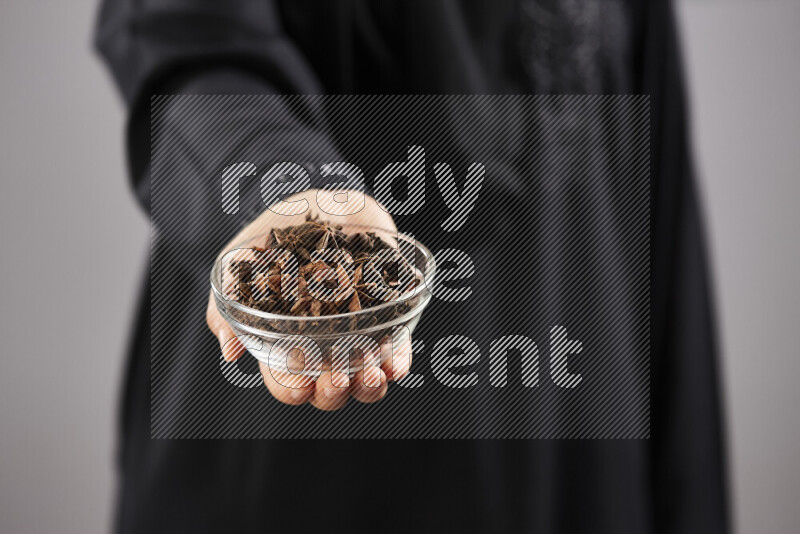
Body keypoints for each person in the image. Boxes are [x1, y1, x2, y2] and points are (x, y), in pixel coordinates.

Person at [95, 0, 729, 532]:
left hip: (568, 458)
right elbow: (193, 41)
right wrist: (283, 195)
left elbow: (657, 216)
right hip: (283, 456)